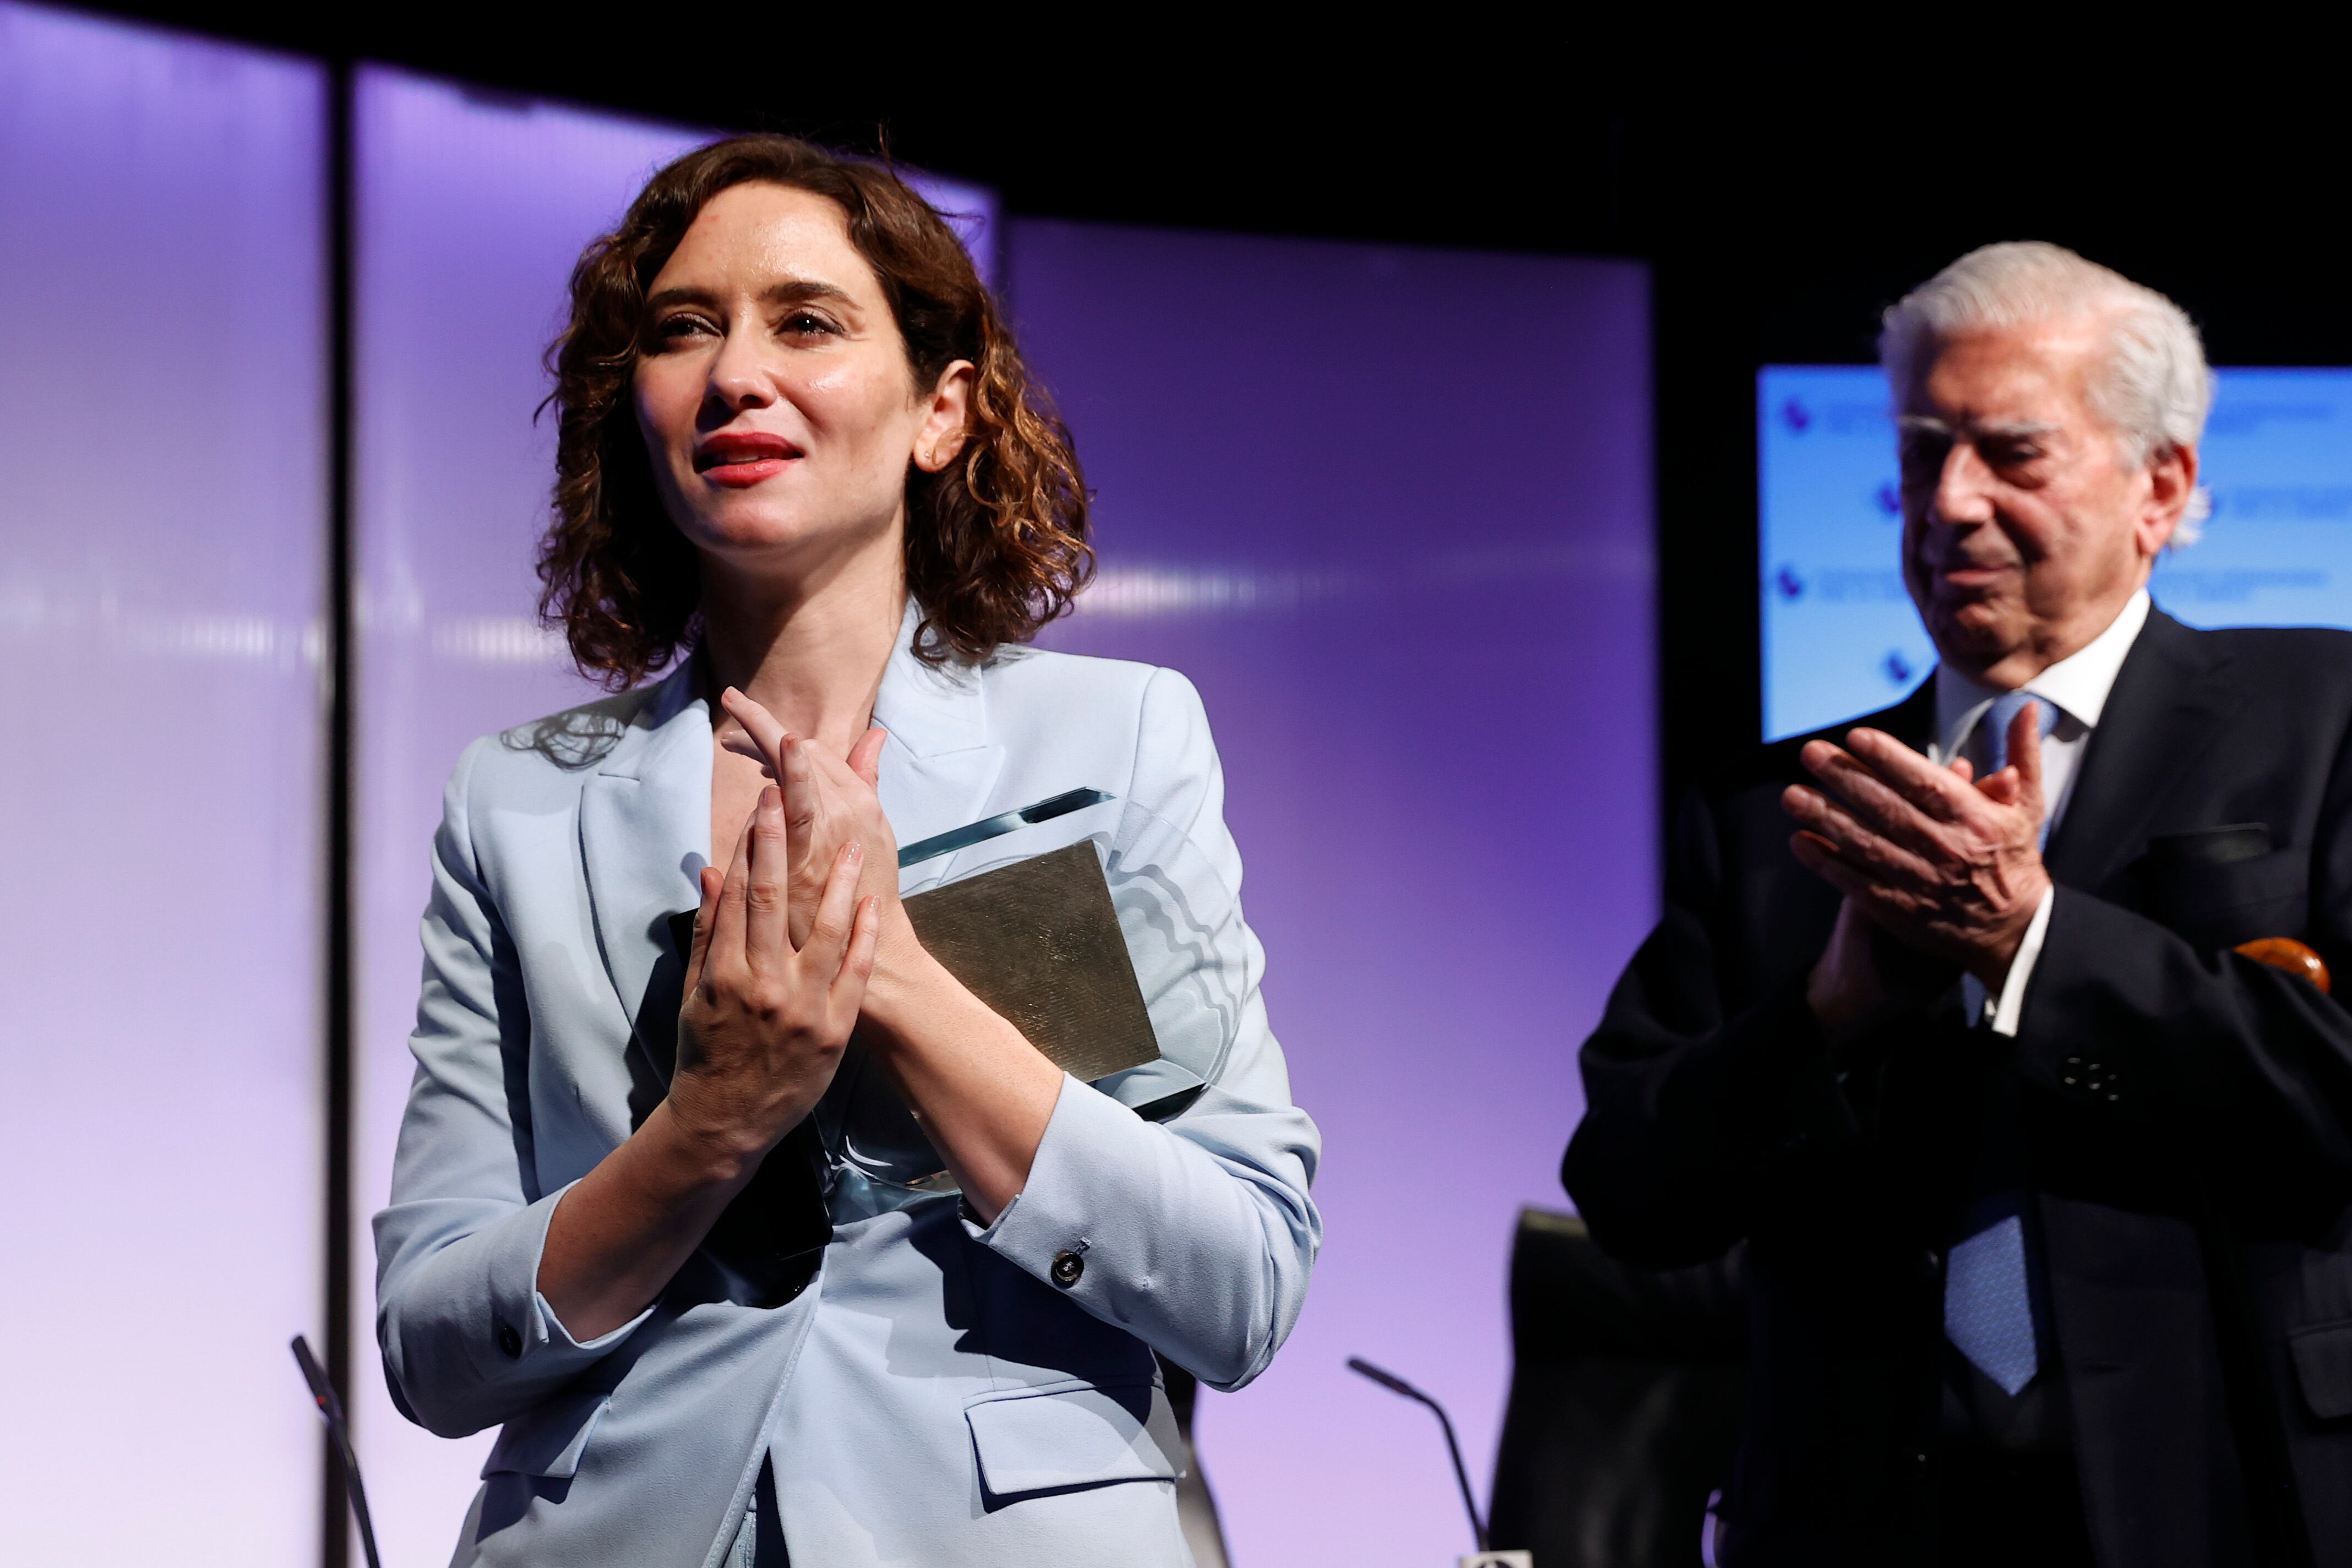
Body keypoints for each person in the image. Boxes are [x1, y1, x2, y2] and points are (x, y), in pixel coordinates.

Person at [373, 135, 1320, 1567]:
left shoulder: (1115, 743)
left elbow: (1241, 1282)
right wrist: (703, 1133)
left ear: (941, 410)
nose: (734, 373)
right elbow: (433, 1345)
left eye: (804, 320)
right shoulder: (517, 805)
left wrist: (898, 982)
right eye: (683, 328)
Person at [1564, 242, 2352, 1567]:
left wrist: (2034, 941)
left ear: (2161, 486)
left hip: (2229, 1495)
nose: (1952, 503)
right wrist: (1827, 1014)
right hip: (1863, 1523)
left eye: (2013, 453)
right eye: (1926, 450)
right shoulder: (1779, 807)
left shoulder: (2323, 721)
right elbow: (1632, 1188)